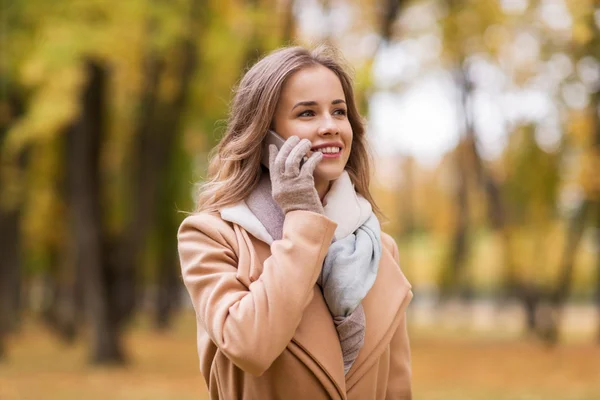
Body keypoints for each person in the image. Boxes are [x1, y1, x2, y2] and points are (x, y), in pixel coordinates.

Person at [177, 44, 413, 400]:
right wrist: (303, 220)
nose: (330, 126)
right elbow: (250, 345)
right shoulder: (211, 236)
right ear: (264, 134)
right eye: (307, 114)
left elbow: (398, 390)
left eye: (339, 111)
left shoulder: (378, 248)